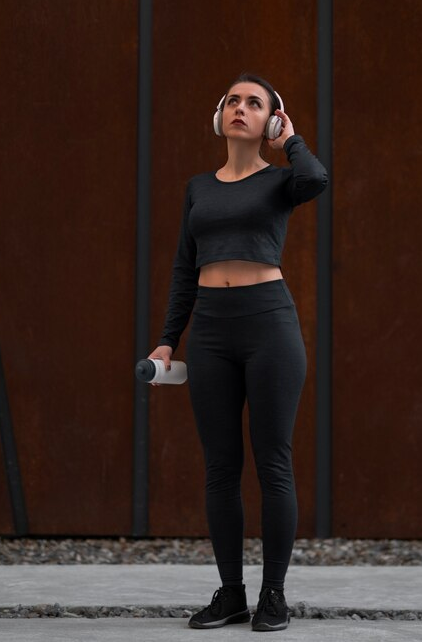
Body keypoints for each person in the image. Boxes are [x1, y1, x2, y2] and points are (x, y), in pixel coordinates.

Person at [144, 72, 328, 632]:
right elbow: (183, 267)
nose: (240, 108)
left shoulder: (281, 181)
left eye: (255, 103)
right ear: (219, 114)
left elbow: (317, 178)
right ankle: (231, 594)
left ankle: (274, 594)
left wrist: (289, 138)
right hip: (213, 333)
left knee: (273, 462)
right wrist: (168, 338)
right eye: (232, 100)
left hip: (269, 325)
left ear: (270, 118)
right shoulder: (199, 186)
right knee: (220, 468)